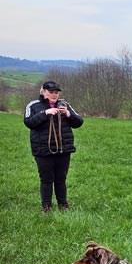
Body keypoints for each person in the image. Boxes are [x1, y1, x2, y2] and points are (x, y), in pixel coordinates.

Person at [24, 81, 84, 212]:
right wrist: (45, 113)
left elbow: (79, 122)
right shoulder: (34, 105)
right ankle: (47, 206)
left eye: (56, 92)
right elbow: (28, 122)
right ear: (44, 91)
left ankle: (63, 204)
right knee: (46, 179)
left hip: (63, 148)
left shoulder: (65, 104)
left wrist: (68, 114)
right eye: (51, 92)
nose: (54, 95)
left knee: (61, 178)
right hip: (43, 149)